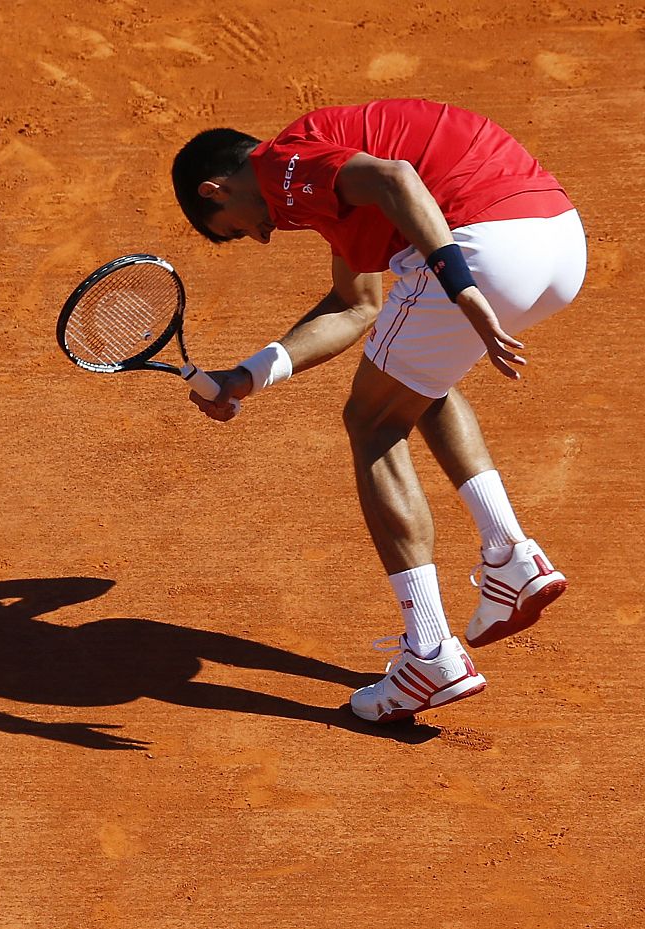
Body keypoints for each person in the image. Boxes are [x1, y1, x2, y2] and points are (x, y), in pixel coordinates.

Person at [169, 98, 583, 724]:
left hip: (483, 249)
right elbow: (353, 306)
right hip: (558, 241)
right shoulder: (322, 168)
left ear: (215, 188)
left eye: (234, 226)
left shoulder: (285, 165)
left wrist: (461, 286)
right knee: (418, 384)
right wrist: (245, 378)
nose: (261, 236)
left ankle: (431, 656)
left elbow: (396, 179)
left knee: (372, 422)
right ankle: (511, 557)